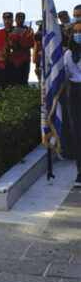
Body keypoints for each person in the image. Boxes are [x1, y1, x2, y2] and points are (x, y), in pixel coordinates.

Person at [63, 21, 81, 183]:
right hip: (75, 92)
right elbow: (66, 74)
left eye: (80, 31)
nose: (78, 34)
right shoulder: (68, 54)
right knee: (78, 132)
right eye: (75, 31)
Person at [0, 12, 16, 90]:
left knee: (13, 87)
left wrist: (14, 45)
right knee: (1, 87)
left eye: (9, 19)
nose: (7, 21)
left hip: (13, 63)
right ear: (3, 21)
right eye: (5, 19)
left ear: (12, 20)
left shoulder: (16, 32)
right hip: (0, 64)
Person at [9, 12, 34, 85]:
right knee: (12, 82)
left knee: (23, 82)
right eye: (18, 18)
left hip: (24, 59)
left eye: (22, 18)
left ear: (24, 19)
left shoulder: (28, 30)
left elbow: (30, 44)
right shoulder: (11, 30)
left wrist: (17, 45)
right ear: (15, 19)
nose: (20, 20)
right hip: (13, 59)